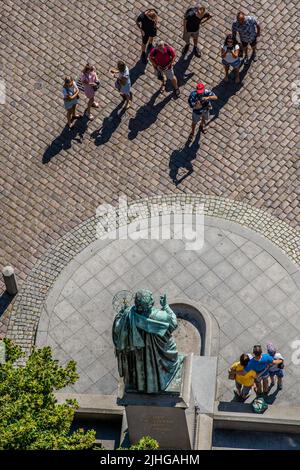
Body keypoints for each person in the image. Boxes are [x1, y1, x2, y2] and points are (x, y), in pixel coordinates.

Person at [112, 290, 184, 393]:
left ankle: (143, 384)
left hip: (140, 355)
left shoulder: (129, 314)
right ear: (151, 304)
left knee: (142, 368)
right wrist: (166, 306)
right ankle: (160, 381)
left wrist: (121, 314)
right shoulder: (159, 316)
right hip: (159, 353)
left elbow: (118, 329)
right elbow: (173, 323)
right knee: (168, 358)